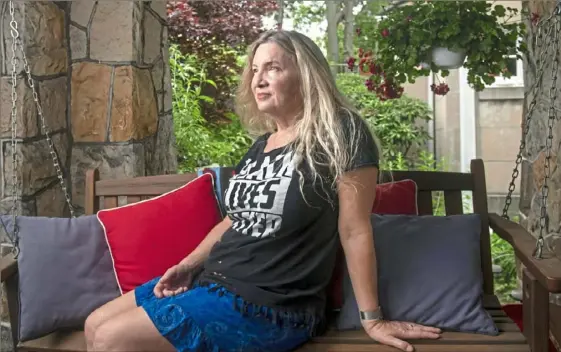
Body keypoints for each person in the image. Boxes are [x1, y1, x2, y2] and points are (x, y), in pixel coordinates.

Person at [84, 29, 441, 352]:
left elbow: (354, 229)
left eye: (272, 68)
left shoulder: (342, 133)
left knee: (110, 339)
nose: (259, 80)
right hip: (214, 285)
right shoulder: (262, 145)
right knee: (94, 324)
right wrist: (189, 264)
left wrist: (372, 317)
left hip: (272, 307)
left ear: (305, 75)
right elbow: (235, 220)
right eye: (255, 70)